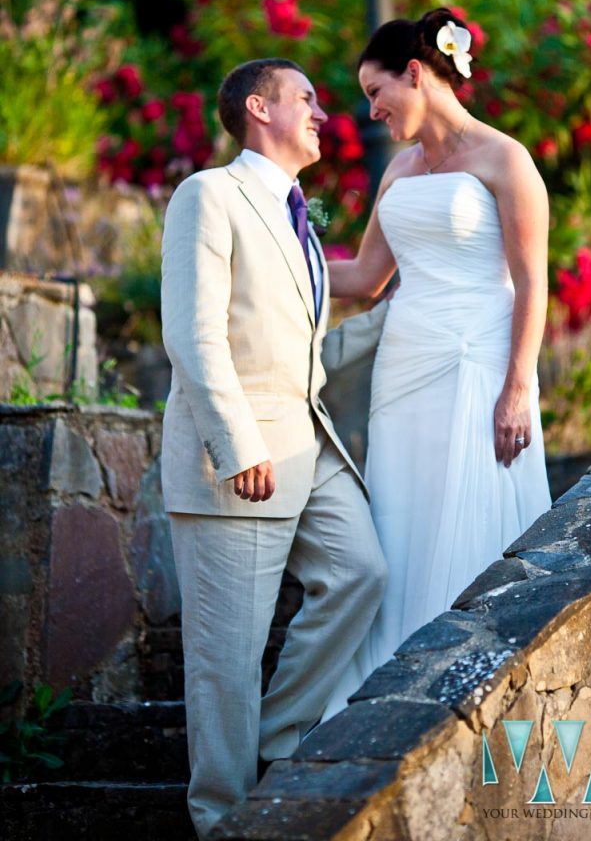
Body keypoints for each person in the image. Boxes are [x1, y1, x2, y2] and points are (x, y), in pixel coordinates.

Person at [160, 57, 387, 839]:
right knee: (226, 662)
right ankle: (220, 817)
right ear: (259, 109)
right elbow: (192, 335)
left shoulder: (299, 219)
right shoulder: (209, 196)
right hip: (238, 459)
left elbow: (307, 352)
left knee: (362, 572)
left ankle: (277, 740)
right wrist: (234, 443)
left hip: (309, 443)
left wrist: (417, 321)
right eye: (308, 100)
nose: (325, 115)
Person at [322, 8, 552, 718]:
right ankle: (388, 687)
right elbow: (363, 279)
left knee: (471, 517)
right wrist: (277, 254)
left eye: (375, 90)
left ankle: (467, 688)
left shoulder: (505, 159)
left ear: (416, 74)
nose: (371, 110)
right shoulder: (399, 170)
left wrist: (517, 387)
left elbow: (533, 280)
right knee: (402, 516)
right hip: (406, 367)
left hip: (480, 365)